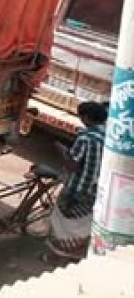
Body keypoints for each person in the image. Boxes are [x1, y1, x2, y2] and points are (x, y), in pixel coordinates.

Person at [46, 101, 108, 260]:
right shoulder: (107, 137)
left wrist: (61, 150)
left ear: (87, 118)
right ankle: (75, 255)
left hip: (77, 190)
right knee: (81, 225)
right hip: (94, 191)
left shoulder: (85, 138)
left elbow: (72, 165)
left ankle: (55, 256)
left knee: (61, 223)